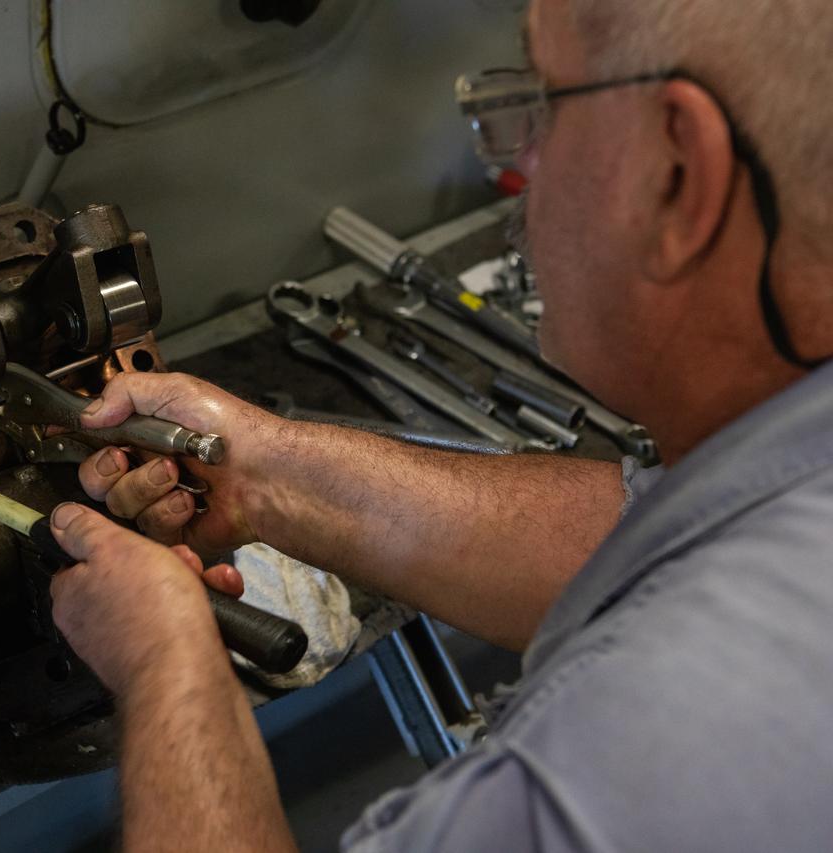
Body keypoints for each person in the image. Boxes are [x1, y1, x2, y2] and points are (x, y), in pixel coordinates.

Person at [46, 0, 833, 849]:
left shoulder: (645, 746)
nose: (520, 159)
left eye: (547, 101)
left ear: (679, 173)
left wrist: (166, 664)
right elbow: (623, 538)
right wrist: (265, 471)